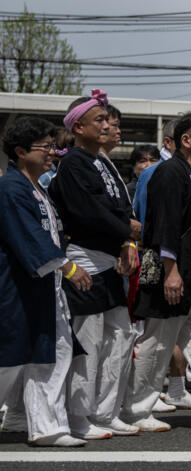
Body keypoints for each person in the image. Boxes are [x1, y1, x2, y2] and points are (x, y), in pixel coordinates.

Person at [122, 113, 191, 433]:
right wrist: (171, 271)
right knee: (158, 344)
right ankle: (138, 410)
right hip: (175, 274)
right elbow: (164, 224)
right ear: (185, 140)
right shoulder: (168, 172)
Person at [49, 90, 142, 440]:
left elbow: (118, 208)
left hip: (110, 255)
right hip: (85, 257)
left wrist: (126, 240)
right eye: (99, 120)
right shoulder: (73, 162)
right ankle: (78, 414)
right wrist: (125, 231)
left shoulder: (101, 161)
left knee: (120, 336)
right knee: (87, 342)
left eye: (108, 120)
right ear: (79, 127)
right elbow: (87, 211)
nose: (107, 125)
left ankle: (106, 410)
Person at [0, 116, 93, 447]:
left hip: (44, 286)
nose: (53, 152)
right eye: (46, 146)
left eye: (53, 145)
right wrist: (67, 266)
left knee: (51, 352)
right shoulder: (11, 188)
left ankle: (45, 426)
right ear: (21, 151)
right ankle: (34, 422)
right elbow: (27, 237)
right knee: (10, 357)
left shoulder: (37, 188)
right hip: (19, 285)